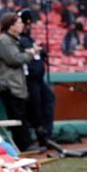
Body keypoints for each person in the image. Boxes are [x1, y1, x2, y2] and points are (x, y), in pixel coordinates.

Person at [0, 13, 38, 151]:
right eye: (18, 23)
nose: (22, 25)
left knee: (21, 117)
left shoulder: (12, 40)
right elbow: (15, 59)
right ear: (10, 26)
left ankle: (26, 145)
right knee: (17, 117)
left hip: (15, 85)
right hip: (10, 86)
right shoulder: (5, 40)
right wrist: (31, 53)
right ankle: (24, 146)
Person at [19, 9, 55, 145]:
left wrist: (42, 51)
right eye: (26, 23)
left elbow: (36, 53)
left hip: (39, 78)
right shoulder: (20, 39)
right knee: (35, 107)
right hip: (30, 78)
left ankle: (47, 133)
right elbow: (21, 56)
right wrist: (33, 50)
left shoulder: (28, 37)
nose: (28, 25)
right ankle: (42, 137)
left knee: (49, 99)